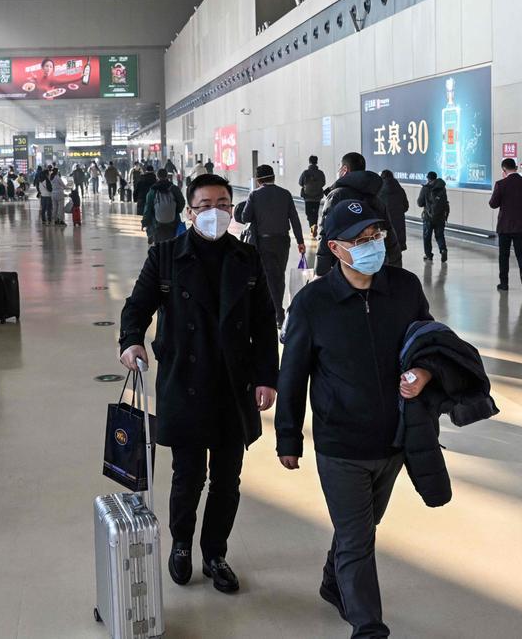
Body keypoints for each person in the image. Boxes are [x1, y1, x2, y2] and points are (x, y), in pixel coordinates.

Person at [276, 199, 433, 638]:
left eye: (376, 236)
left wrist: (425, 372)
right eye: (360, 240)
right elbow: (293, 375)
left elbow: (429, 341)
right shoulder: (313, 303)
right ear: (336, 248)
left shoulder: (404, 288)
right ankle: (368, 626)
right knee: (359, 540)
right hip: (340, 445)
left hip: (394, 440)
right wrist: (288, 437)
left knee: (360, 527)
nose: (372, 246)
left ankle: (332, 581)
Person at [119, 173, 279, 595]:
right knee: (187, 475)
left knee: (228, 479)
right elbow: (137, 306)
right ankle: (181, 546)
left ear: (233, 208)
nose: (215, 212)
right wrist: (131, 341)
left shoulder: (247, 258)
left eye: (222, 204)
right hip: (184, 380)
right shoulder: (166, 256)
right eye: (205, 205)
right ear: (190, 212)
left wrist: (267, 377)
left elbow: (264, 323)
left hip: (232, 384)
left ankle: (215, 554)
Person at [240, 164, 305, 325]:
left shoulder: (254, 195)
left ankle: (278, 312)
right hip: (283, 241)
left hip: (264, 241)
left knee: (268, 276)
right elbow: (295, 219)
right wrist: (300, 241)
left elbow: (245, 217)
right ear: (273, 177)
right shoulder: (285, 194)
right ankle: (278, 310)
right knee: (279, 275)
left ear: (258, 180)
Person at [314, 153, 397, 276]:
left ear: (344, 170)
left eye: (340, 168)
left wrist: (321, 272)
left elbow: (325, 234)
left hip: (344, 265)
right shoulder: (375, 196)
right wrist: (395, 268)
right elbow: (389, 233)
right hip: (374, 266)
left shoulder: (337, 195)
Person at [489, 158, 522, 293]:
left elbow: (493, 204)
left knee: (503, 255)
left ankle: (504, 283)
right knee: (521, 253)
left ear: (504, 170)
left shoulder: (501, 184)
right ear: (516, 167)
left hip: (505, 226)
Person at [142, 168, 185, 244]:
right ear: (167, 176)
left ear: (157, 177)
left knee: (158, 246)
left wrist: (144, 222)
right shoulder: (174, 188)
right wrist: (176, 211)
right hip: (173, 223)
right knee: (173, 244)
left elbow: (148, 208)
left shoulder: (153, 190)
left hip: (157, 225)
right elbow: (182, 202)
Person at [378, 170, 409, 268]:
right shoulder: (400, 189)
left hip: (384, 226)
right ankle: (397, 277)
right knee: (397, 254)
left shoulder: (378, 191)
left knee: (384, 253)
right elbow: (406, 206)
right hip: (398, 224)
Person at [416, 171, 449, 262]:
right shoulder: (442, 188)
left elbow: (419, 203)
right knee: (440, 235)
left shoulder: (426, 188)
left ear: (428, 178)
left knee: (427, 237)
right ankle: (443, 250)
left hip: (428, 216)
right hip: (440, 216)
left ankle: (428, 255)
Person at [298, 155, 328, 240]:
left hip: (307, 197)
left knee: (309, 213)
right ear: (317, 161)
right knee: (315, 213)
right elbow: (323, 183)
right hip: (317, 196)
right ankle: (314, 226)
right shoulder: (320, 173)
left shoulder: (305, 173)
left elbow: (300, 183)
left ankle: (312, 226)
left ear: (309, 161)